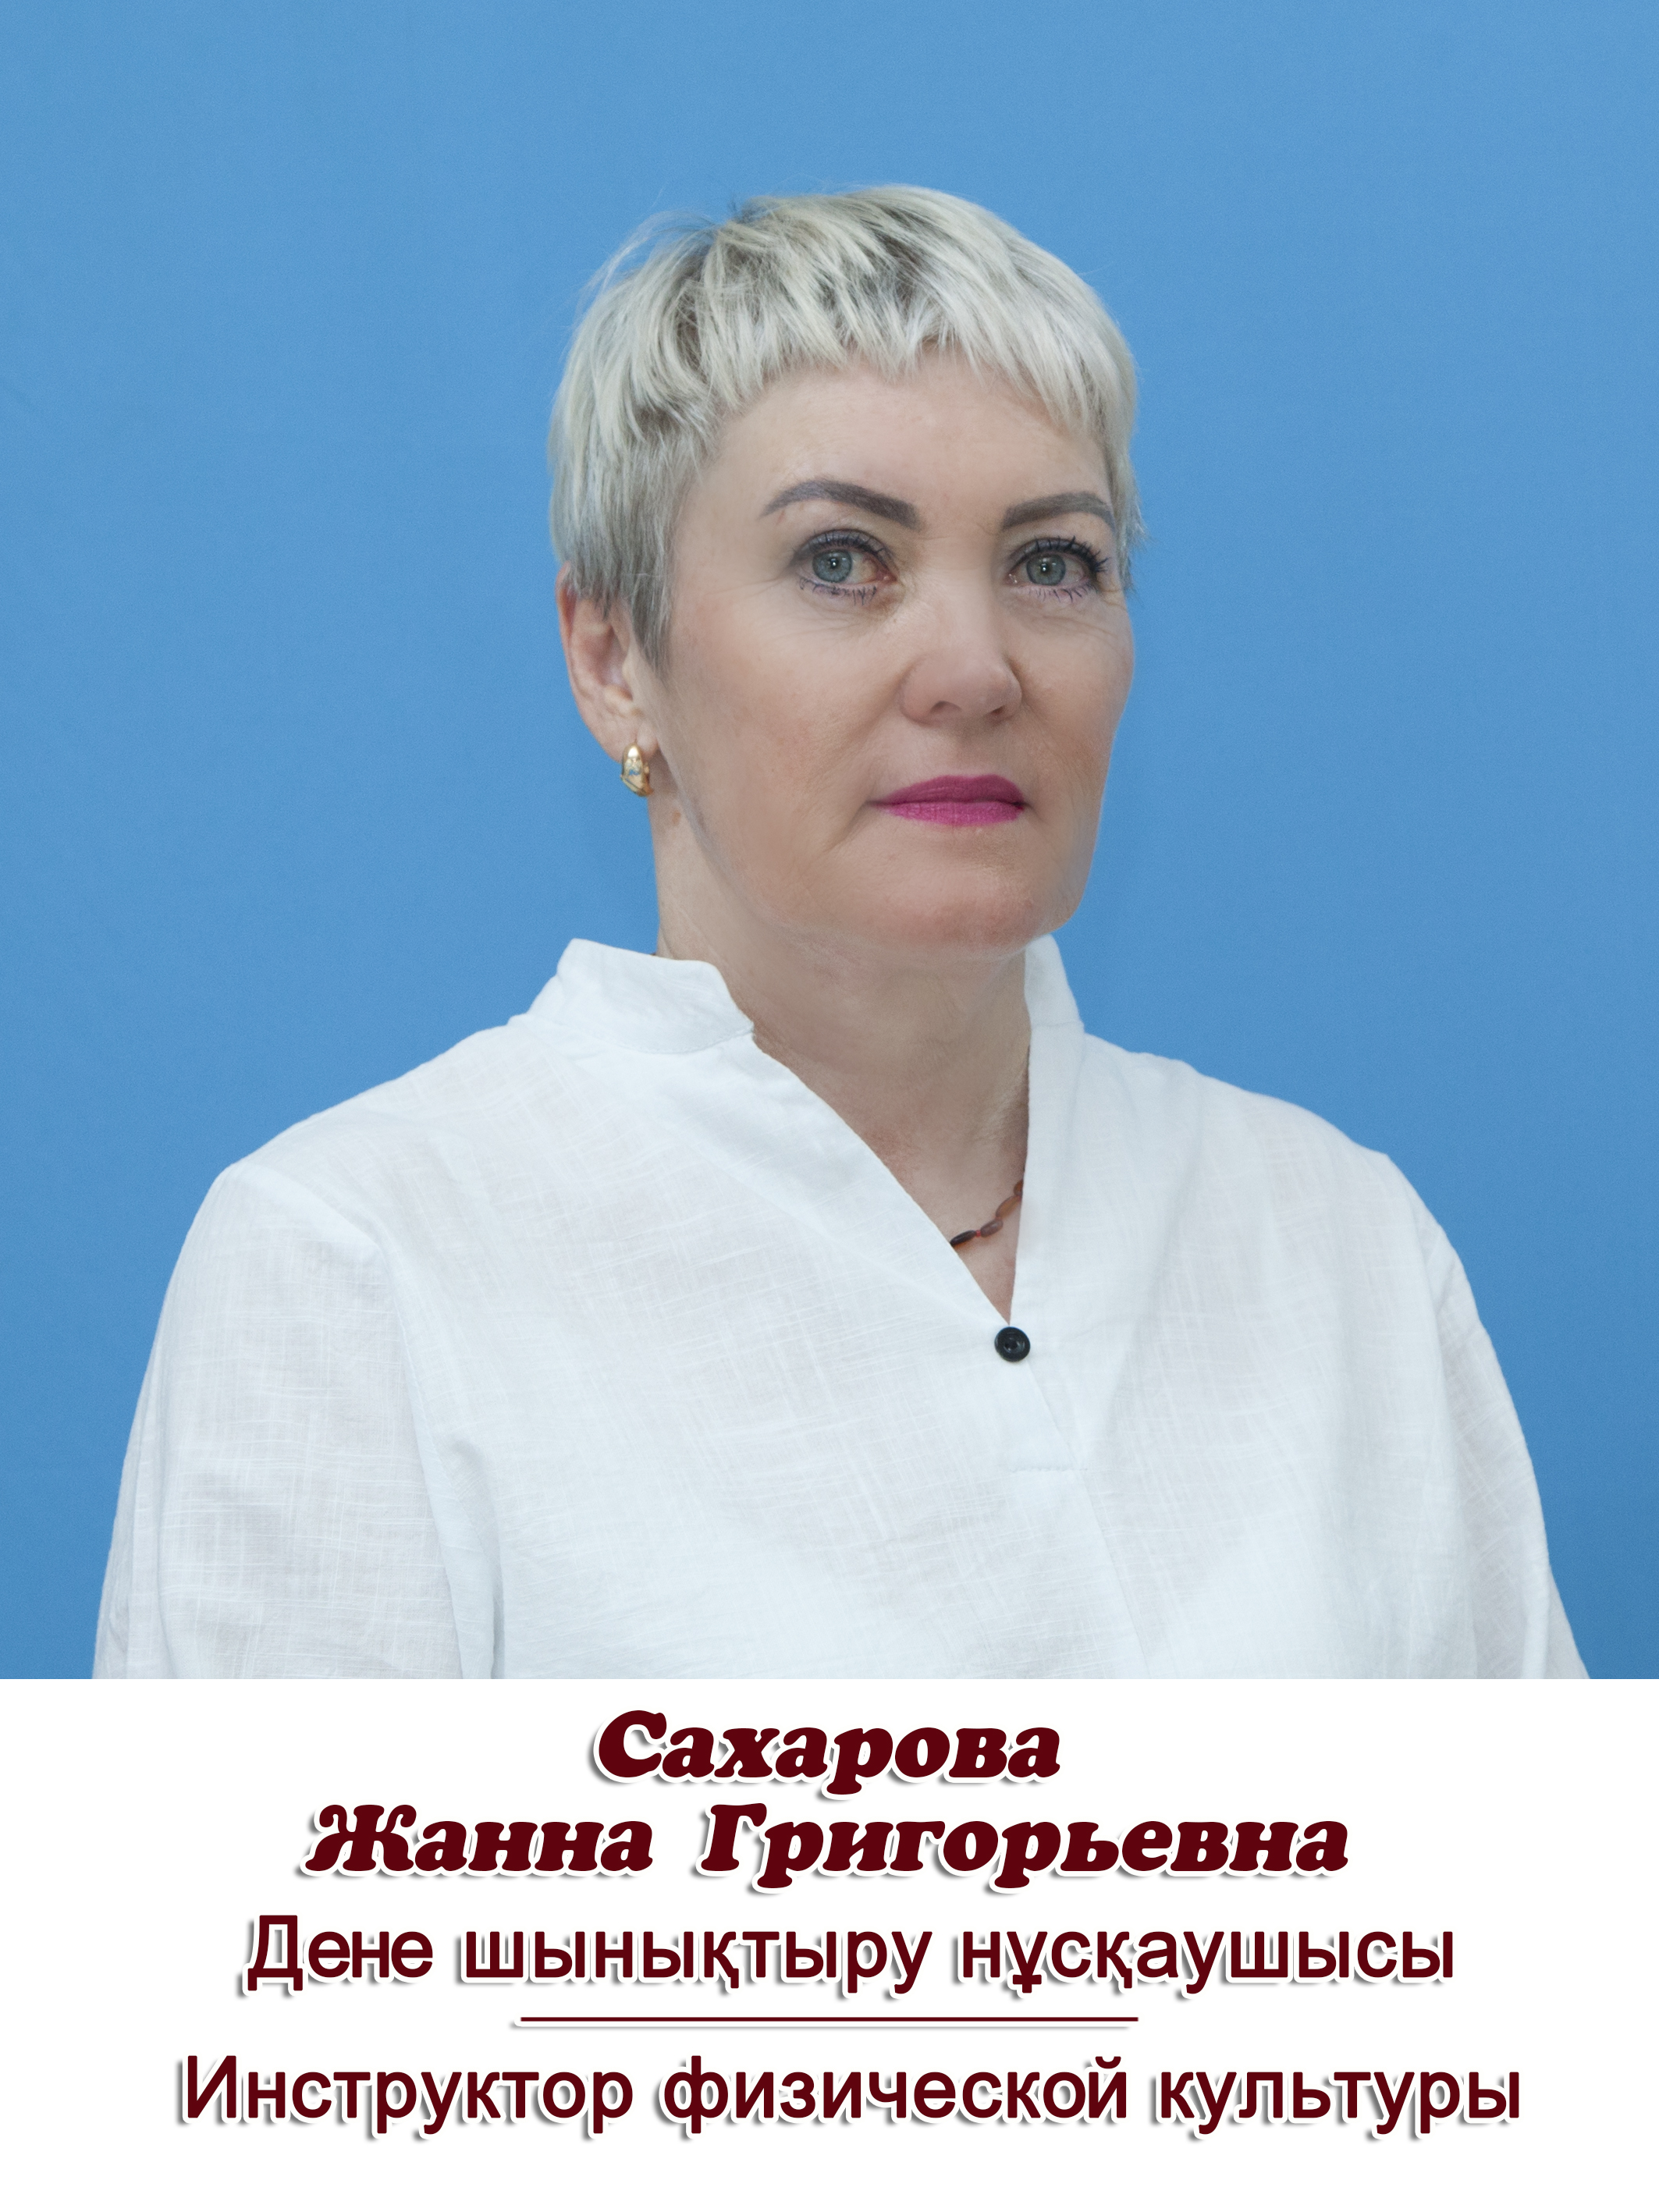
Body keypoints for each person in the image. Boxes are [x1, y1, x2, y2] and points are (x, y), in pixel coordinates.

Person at [94, 186, 1583, 1678]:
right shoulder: (359, 1267)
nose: (973, 669)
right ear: (614, 659)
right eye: (840, 560)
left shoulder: (1335, 1242)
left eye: (1050, 562)